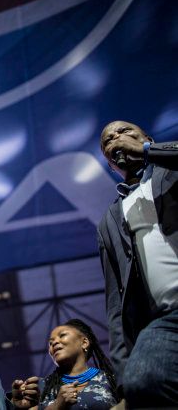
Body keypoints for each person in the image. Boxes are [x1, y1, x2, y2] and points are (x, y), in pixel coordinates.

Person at [97, 120, 178, 406]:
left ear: (148, 138)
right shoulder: (110, 219)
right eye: (108, 141)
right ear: (110, 164)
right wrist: (121, 383)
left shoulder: (170, 173)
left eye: (125, 132)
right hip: (166, 320)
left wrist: (147, 151)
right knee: (141, 381)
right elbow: (115, 301)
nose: (116, 138)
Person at [37, 319, 118, 409]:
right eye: (50, 343)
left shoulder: (111, 379)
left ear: (84, 343)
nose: (54, 343)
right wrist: (57, 405)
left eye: (62, 335)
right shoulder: (42, 386)